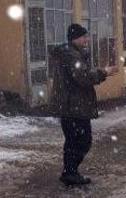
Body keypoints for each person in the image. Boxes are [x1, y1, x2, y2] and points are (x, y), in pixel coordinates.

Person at [50, 24, 118, 187]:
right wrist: (104, 72)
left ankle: (69, 172)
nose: (86, 40)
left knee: (73, 141)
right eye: (83, 37)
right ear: (75, 38)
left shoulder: (70, 54)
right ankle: (70, 173)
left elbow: (80, 75)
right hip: (74, 107)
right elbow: (83, 77)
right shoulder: (72, 56)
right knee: (82, 140)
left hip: (71, 107)